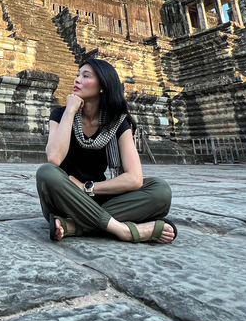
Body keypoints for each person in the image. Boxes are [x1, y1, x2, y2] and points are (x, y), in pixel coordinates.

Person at [36, 59, 177, 244]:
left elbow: (134, 179)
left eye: (85, 76)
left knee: (160, 191)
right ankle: (124, 230)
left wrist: (87, 188)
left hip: (96, 197)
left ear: (103, 85)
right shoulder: (59, 115)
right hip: (65, 199)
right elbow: (54, 157)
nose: (77, 80)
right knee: (46, 173)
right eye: (78, 75)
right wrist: (70, 111)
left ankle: (73, 226)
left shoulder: (117, 122)